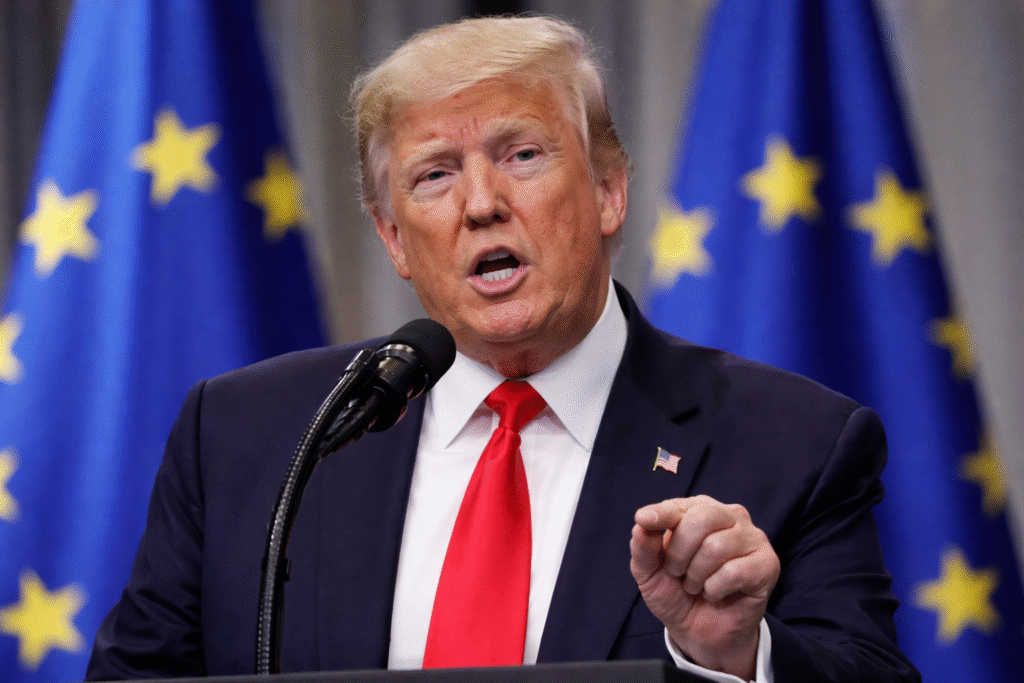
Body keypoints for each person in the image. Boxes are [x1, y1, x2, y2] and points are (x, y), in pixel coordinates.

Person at [86, 15, 919, 683]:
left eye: (522, 155)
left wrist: (734, 657)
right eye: (435, 174)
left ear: (607, 190)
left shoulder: (794, 442)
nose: (482, 202)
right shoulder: (246, 436)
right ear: (393, 237)